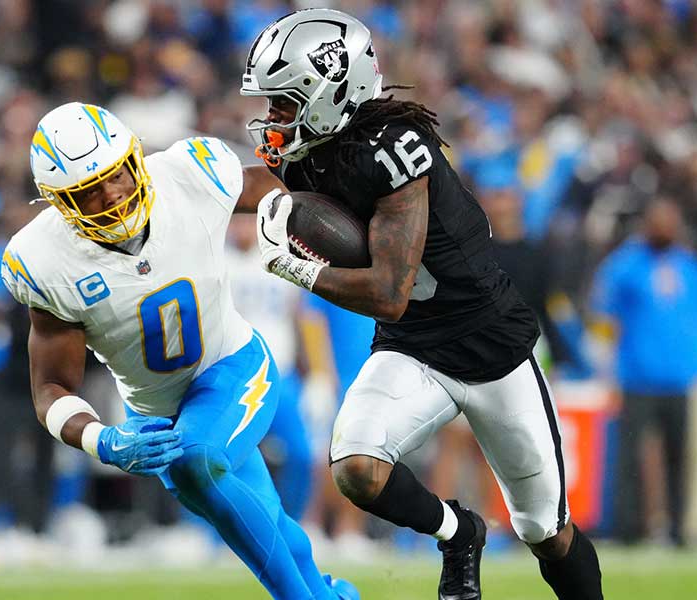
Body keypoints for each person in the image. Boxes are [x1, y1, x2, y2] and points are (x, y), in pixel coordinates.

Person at [241, 9, 603, 600]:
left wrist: (295, 266)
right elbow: (248, 185)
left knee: (545, 530)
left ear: (330, 93)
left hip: (489, 344)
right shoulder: (309, 150)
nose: (273, 119)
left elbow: (388, 292)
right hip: (414, 344)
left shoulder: (398, 148)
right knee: (356, 467)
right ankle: (459, 533)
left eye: (284, 102)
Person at [2, 101, 356, 600]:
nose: (112, 195)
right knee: (266, 519)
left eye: (116, 175)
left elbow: (277, 187)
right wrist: (101, 440)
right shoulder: (44, 261)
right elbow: (51, 388)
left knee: (197, 462)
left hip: (233, 367)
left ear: (135, 158)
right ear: (60, 203)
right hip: (156, 413)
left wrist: (343, 212)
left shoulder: (190, 176)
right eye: (88, 191)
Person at [590, 198, 697, 546]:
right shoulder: (624, 266)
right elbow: (603, 318)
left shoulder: (691, 267)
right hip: (638, 377)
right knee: (630, 458)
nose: (665, 229)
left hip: (684, 379)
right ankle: (628, 529)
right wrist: (606, 368)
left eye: (670, 223)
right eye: (659, 222)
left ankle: (680, 529)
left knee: (680, 458)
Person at [227, 213, 313, 520]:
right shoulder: (219, 262)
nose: (241, 228)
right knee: (223, 457)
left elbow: (300, 317)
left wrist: (316, 377)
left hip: (282, 375)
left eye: (247, 220)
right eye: (236, 221)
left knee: (303, 454)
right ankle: (208, 533)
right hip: (236, 377)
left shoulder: (282, 258)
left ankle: (292, 524)